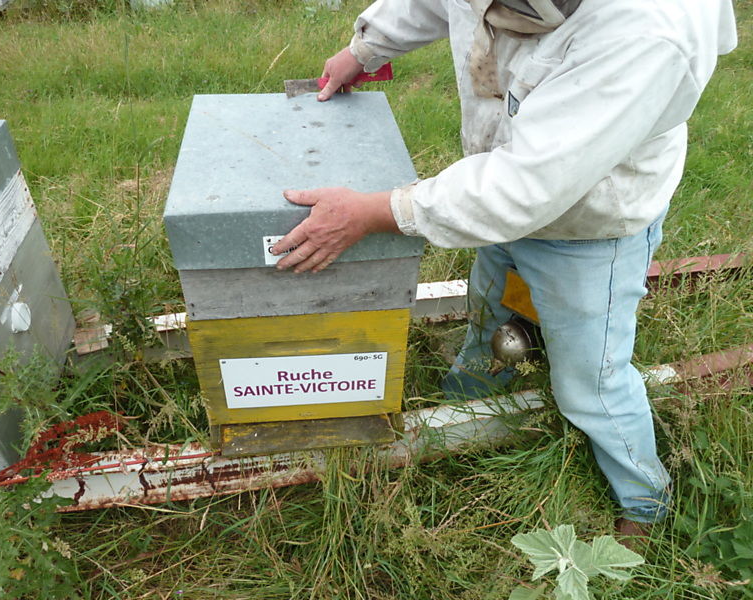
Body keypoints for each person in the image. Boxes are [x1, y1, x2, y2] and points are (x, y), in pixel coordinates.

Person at [271, 0, 737, 535]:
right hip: (506, 200)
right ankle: (472, 403)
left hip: (588, 227)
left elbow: (527, 185)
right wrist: (366, 48)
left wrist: (377, 211)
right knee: (491, 312)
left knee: (592, 384)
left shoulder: (648, 30)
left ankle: (645, 506)